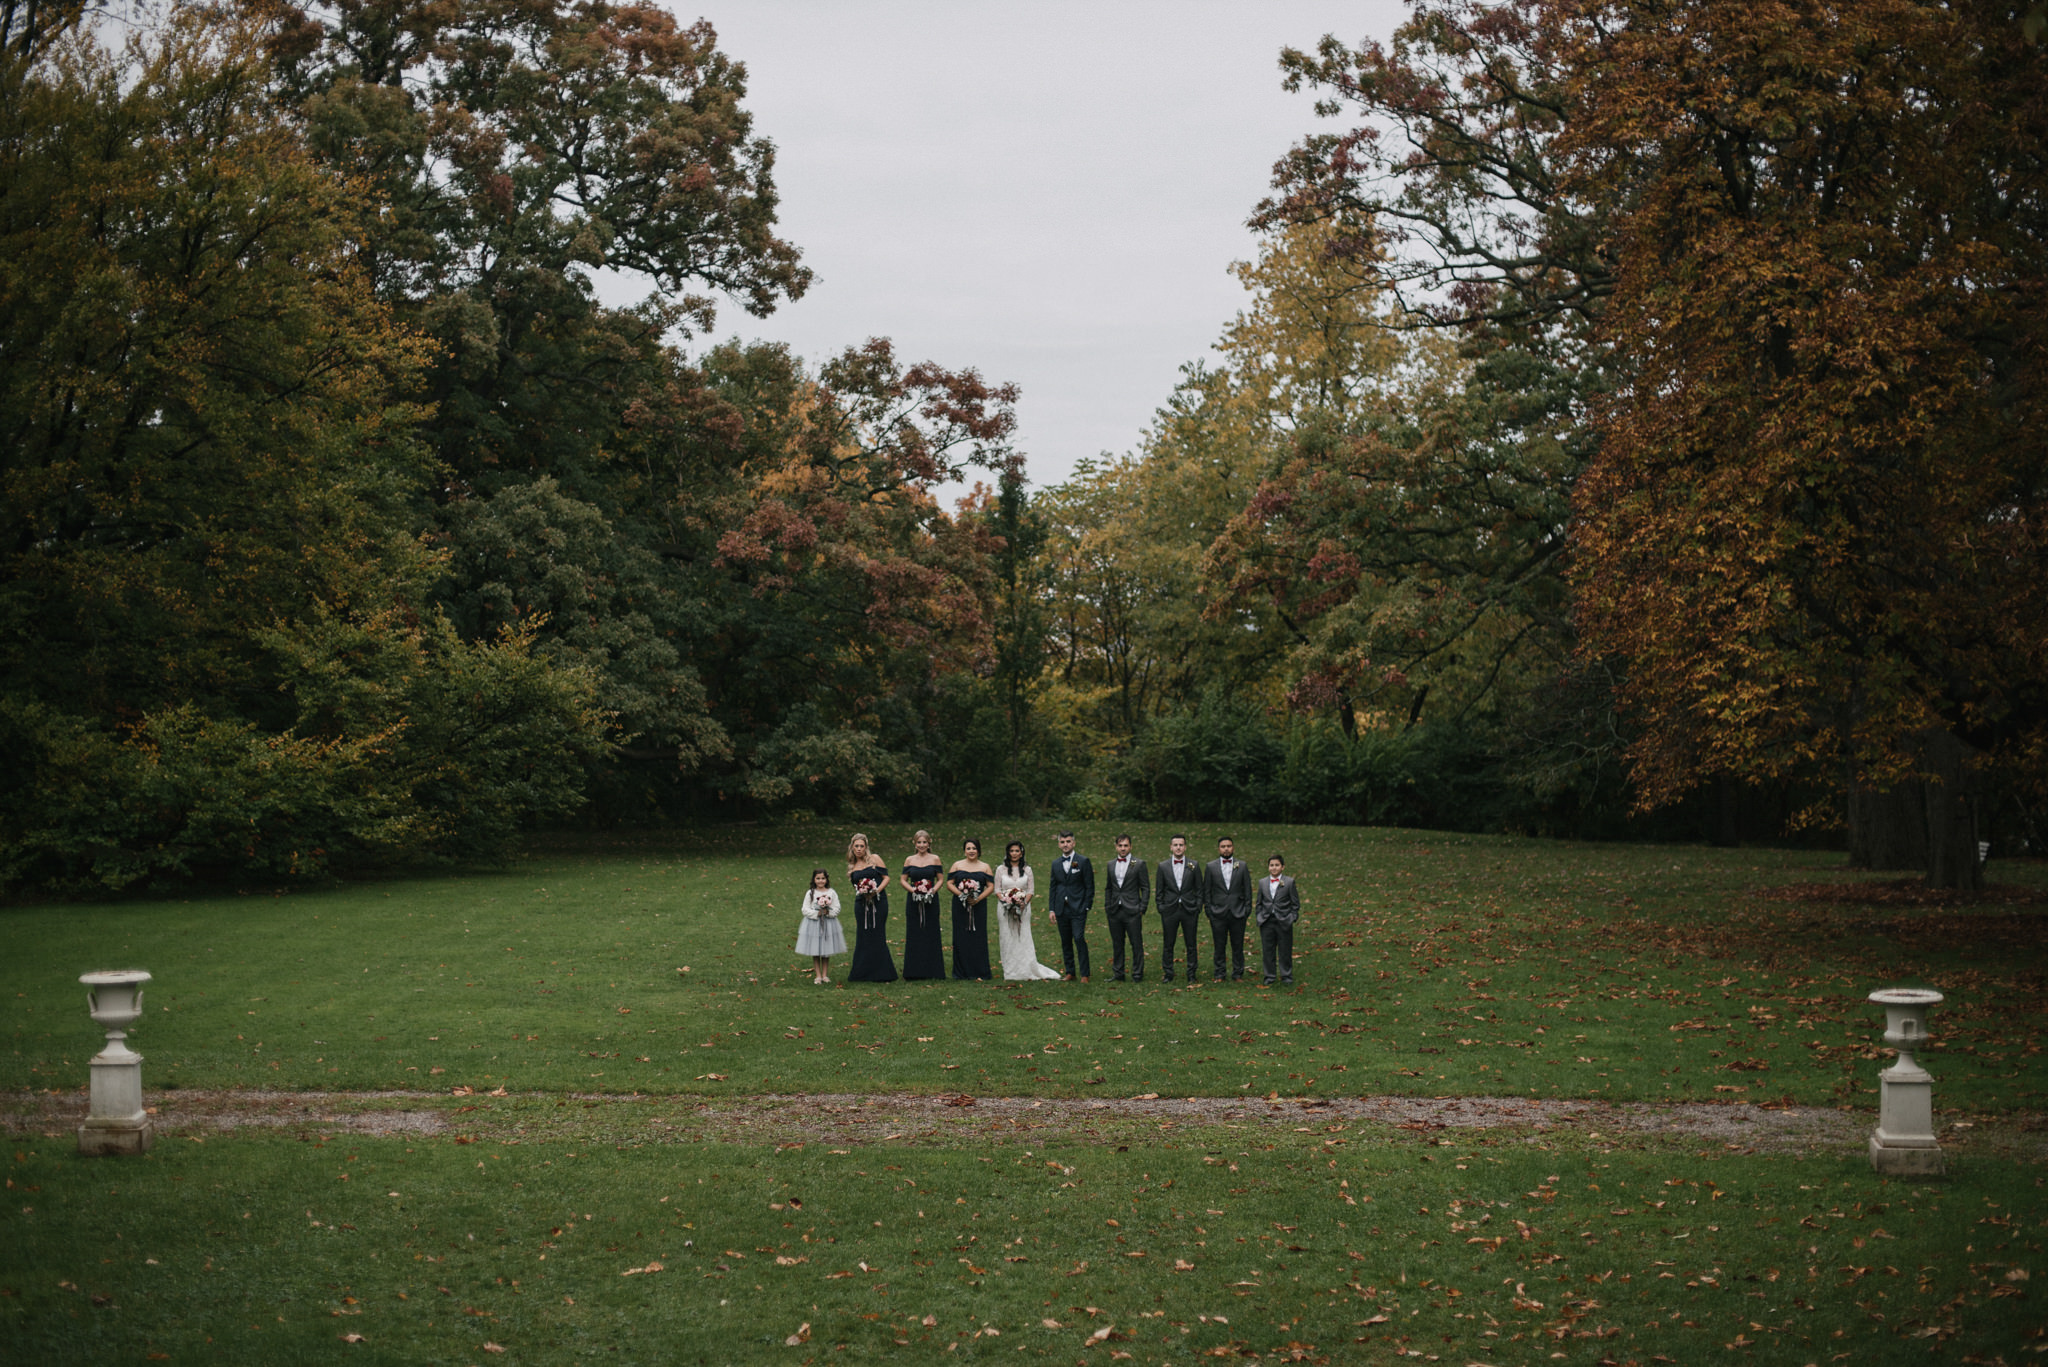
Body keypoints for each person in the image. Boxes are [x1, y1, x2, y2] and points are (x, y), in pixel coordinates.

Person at [994, 841, 1061, 981]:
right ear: (1008, 852)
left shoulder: (1027, 869)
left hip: (1023, 908)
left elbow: (1030, 890)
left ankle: (1025, 968)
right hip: (1004, 908)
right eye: (1011, 851)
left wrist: (1023, 903)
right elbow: (997, 890)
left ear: (1021, 852)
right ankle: (1010, 970)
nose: (1014, 853)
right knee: (1007, 937)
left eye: (1017, 851)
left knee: (1023, 936)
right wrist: (1006, 901)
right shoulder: (1000, 869)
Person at [844, 833, 898, 983]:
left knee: (877, 933)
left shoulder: (874, 859)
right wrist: (864, 892)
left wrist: (876, 891)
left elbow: (886, 877)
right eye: (857, 846)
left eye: (862, 846)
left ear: (866, 847)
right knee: (863, 935)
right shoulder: (852, 866)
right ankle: (862, 972)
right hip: (861, 904)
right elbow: (855, 886)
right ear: (852, 848)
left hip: (879, 901)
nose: (859, 849)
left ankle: (882, 972)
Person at [1045, 830, 1094, 982]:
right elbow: (1053, 886)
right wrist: (1052, 908)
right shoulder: (1055, 864)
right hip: (1061, 908)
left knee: (1078, 938)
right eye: (1062, 842)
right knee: (1065, 940)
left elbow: (1089, 886)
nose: (1065, 844)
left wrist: (1086, 906)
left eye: (1068, 841)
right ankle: (1070, 972)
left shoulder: (1083, 861)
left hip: (1078, 907)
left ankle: (1085, 974)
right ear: (1059, 844)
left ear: (1074, 843)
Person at [1154, 833, 1204, 983]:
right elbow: (1159, 890)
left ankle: (1191, 973)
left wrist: (1197, 907)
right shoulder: (1163, 866)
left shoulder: (1193, 865)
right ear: (1171, 847)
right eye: (1175, 845)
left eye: (1181, 845)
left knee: (1191, 943)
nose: (1178, 847)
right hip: (1170, 909)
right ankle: (1168, 973)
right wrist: (1161, 907)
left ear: (1185, 847)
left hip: (1189, 909)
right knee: (1168, 943)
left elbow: (1199, 889)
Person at [899, 829, 947, 981]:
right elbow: (903, 880)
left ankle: (933, 970)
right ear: (914, 843)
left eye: (924, 842)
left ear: (929, 843)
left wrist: (932, 891)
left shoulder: (935, 859)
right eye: (919, 842)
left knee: (931, 931)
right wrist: (913, 890)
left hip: (931, 900)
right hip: (913, 900)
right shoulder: (909, 860)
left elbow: (940, 879)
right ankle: (914, 970)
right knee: (915, 932)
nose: (921, 845)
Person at [1202, 835, 1251, 982]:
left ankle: (1238, 973)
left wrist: (1246, 909)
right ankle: (1219, 973)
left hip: (1238, 912)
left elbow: (1247, 889)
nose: (1226, 849)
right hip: (1218, 912)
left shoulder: (1241, 866)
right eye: (1223, 846)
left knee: (1238, 945)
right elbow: (1207, 891)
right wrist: (1209, 910)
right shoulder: (1211, 867)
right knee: (1219, 945)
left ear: (1233, 848)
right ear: (1219, 849)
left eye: (1229, 846)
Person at [1103, 833, 1150, 982]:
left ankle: (1137, 974)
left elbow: (1146, 887)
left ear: (1130, 847)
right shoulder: (1110, 864)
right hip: (1115, 909)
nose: (1123, 848)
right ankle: (1118, 973)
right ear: (1116, 847)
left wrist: (1142, 907)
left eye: (1126, 845)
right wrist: (1108, 905)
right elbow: (1109, 887)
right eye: (1120, 845)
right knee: (1117, 943)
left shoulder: (1139, 864)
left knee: (1136, 943)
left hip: (1133, 909)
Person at [947, 838, 994, 981]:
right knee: (961, 936)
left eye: (974, 848)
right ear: (964, 850)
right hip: (960, 906)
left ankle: (980, 970)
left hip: (978, 906)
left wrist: (978, 898)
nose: (971, 851)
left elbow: (991, 886)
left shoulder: (985, 866)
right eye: (968, 848)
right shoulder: (957, 865)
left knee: (978, 936)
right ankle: (961, 971)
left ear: (978, 850)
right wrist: (961, 895)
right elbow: (949, 883)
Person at [1254, 853, 1301, 987]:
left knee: (1285, 949)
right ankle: (1269, 975)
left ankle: (1286, 975)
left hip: (1284, 920)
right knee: (1268, 949)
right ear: (1268, 867)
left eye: (1277, 865)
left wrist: (1292, 917)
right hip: (1267, 920)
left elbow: (1295, 903)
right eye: (1271, 865)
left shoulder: (1289, 882)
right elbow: (1259, 902)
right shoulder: (1262, 882)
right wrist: (1260, 916)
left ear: (1282, 867)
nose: (1274, 868)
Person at [794, 869, 846, 984]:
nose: (820, 881)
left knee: (826, 951)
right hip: (814, 925)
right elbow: (804, 909)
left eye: (823, 878)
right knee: (816, 950)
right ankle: (818, 975)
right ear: (814, 879)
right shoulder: (810, 893)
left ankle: (825, 975)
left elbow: (837, 907)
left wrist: (828, 912)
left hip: (828, 924)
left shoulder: (831, 892)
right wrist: (816, 913)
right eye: (818, 878)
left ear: (826, 879)